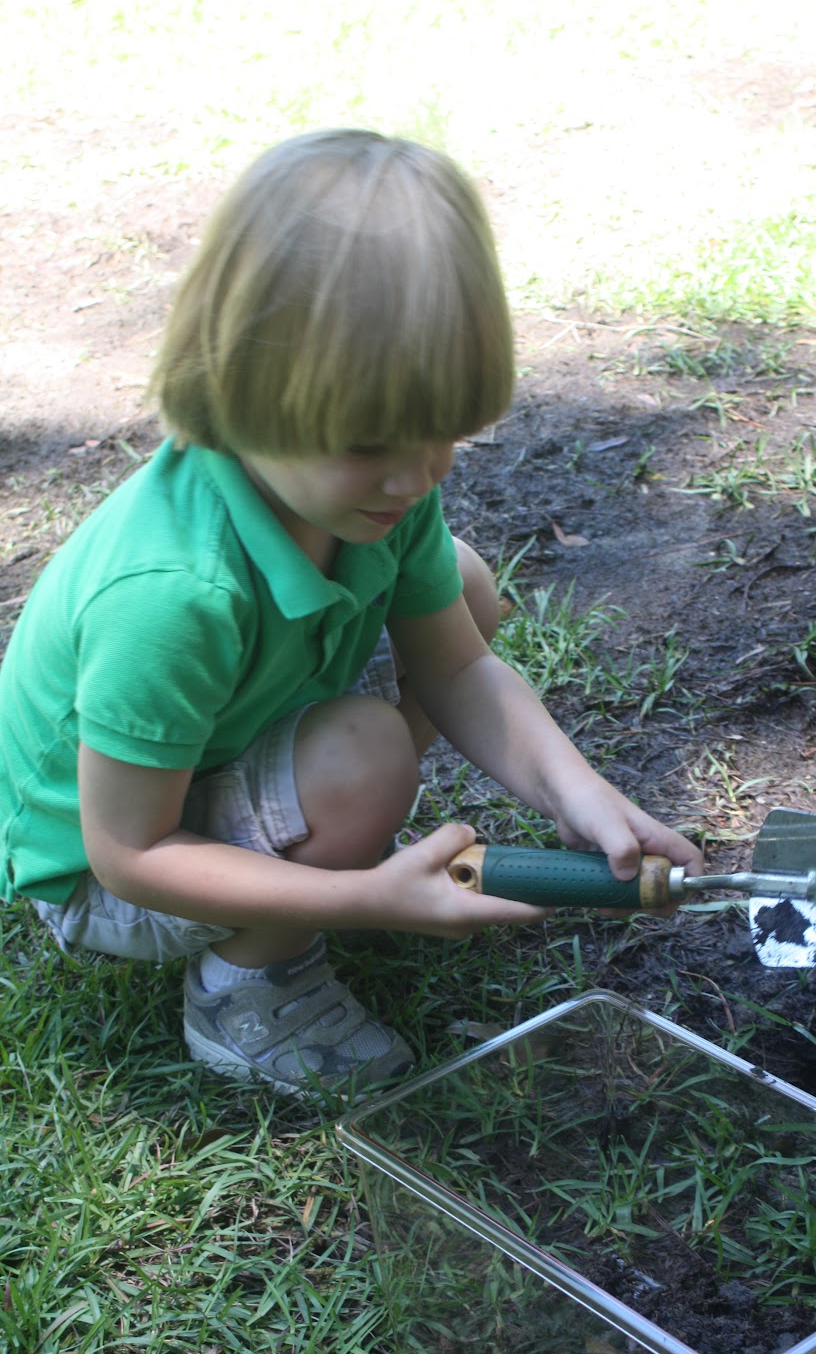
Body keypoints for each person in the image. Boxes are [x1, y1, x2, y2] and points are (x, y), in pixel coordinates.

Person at [0, 129, 702, 1095]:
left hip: (206, 757)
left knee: (460, 582)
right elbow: (130, 854)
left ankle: (318, 818)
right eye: (370, 444)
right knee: (367, 754)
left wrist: (578, 796)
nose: (416, 479)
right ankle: (248, 989)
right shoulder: (169, 596)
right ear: (239, 389)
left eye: (446, 435)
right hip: (102, 868)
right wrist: (361, 898)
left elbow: (457, 667)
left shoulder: (376, 494)